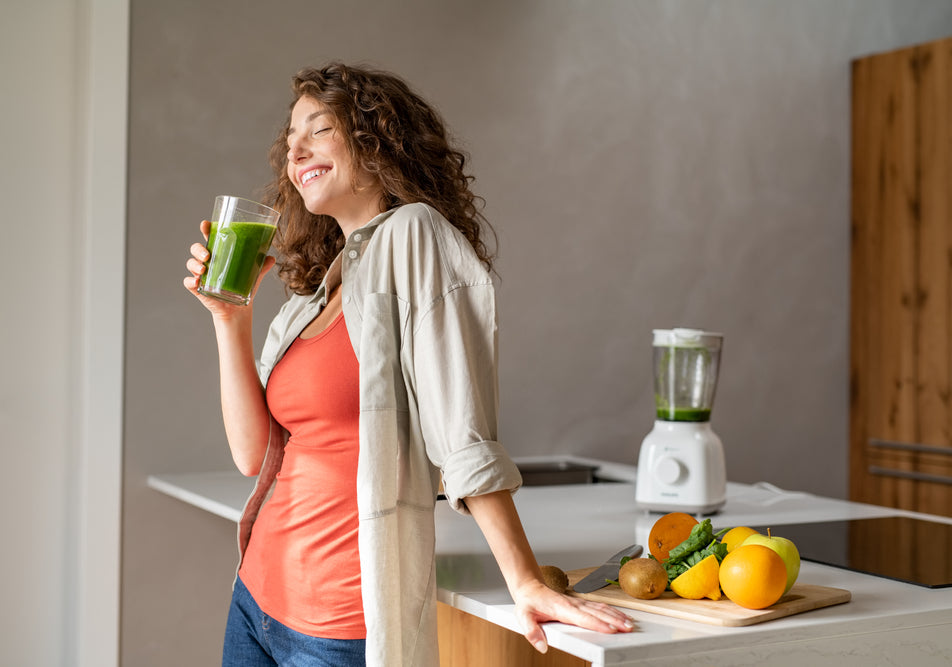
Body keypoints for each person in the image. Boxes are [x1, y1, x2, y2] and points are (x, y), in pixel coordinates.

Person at [184, 62, 633, 667]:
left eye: (317, 128)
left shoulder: (415, 236)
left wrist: (524, 580)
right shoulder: (313, 297)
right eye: (290, 138)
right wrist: (228, 318)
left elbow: (462, 432)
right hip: (255, 600)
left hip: (339, 626)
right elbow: (253, 455)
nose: (295, 147)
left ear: (376, 140)